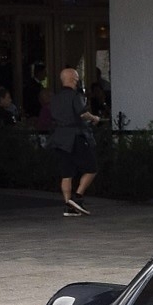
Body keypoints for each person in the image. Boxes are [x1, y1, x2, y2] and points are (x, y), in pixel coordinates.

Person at [44, 64, 100, 217]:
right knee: (91, 167)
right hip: (76, 136)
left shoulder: (54, 98)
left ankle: (68, 204)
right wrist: (94, 118)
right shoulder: (76, 96)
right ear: (74, 79)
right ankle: (78, 197)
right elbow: (82, 114)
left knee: (66, 173)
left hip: (59, 138)